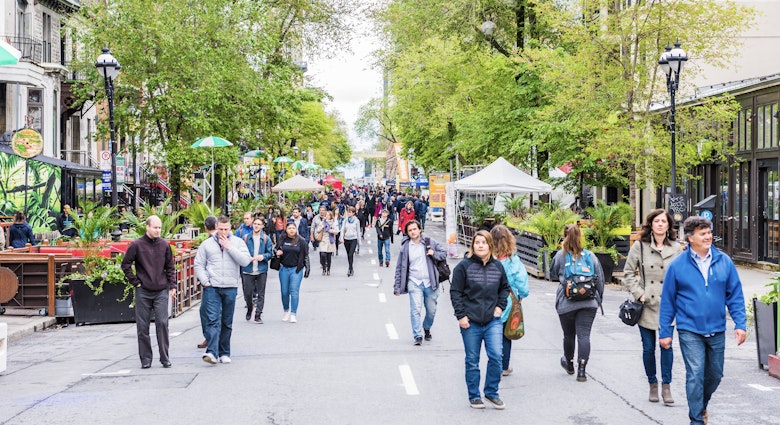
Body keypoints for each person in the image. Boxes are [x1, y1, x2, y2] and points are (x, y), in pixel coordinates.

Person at [659, 216, 746, 425]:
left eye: (709, 232)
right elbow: (668, 300)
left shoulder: (724, 261)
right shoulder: (677, 265)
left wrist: (740, 324)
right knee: (695, 374)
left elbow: (735, 295)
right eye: (703, 233)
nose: (708, 237)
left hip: (716, 328)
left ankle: (702, 404)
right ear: (690, 238)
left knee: (715, 375)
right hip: (689, 328)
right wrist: (665, 332)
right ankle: (696, 419)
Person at [623, 209, 683, 404]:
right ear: (651, 224)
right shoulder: (640, 246)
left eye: (663, 221)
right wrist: (639, 293)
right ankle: (652, 384)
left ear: (668, 225)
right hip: (646, 303)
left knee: (666, 346)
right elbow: (629, 272)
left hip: (669, 305)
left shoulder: (676, 248)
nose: (660, 224)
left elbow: (684, 275)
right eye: (656, 221)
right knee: (648, 348)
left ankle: (667, 386)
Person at [450, 230, 510, 409]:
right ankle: (474, 396)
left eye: (484, 242)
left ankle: (491, 392)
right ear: (472, 245)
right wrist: (461, 315)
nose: (481, 245)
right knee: (472, 360)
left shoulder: (498, 267)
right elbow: (456, 292)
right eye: (477, 243)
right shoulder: (464, 267)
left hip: (492, 320)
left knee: (496, 356)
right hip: (470, 321)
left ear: (490, 245)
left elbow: (505, 288)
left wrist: (500, 307)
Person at [194, 216, 252, 365]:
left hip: (230, 286)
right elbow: (199, 264)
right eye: (220, 229)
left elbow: (245, 261)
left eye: (226, 229)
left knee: (226, 321)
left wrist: (230, 248)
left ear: (230, 228)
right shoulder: (206, 244)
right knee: (212, 320)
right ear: (216, 227)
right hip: (212, 286)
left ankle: (224, 352)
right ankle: (212, 352)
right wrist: (205, 281)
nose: (223, 232)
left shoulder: (238, 242)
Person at [121, 215, 177, 369]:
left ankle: (165, 357)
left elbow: (170, 267)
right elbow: (125, 264)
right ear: (147, 227)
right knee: (142, 326)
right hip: (143, 290)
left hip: (161, 290)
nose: (158, 230)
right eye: (155, 227)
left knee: (162, 323)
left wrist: (172, 286)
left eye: (159, 227)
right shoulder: (137, 245)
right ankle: (146, 359)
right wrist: (135, 282)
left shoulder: (164, 245)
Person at [550, 224, 604, 382]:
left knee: (569, 335)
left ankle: (569, 363)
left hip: (567, 301)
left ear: (564, 236)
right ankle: (582, 370)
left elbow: (553, 272)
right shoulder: (590, 256)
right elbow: (600, 278)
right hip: (589, 302)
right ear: (580, 236)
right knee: (584, 335)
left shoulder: (560, 255)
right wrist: (599, 298)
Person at [393, 219, 447, 345]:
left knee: (431, 310)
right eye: (410, 230)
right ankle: (417, 335)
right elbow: (399, 268)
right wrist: (397, 287)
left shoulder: (429, 242)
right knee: (415, 309)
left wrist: (434, 253)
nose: (412, 232)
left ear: (420, 229)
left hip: (431, 282)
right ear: (407, 232)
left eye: (414, 229)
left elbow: (443, 253)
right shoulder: (405, 248)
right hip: (414, 281)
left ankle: (426, 327)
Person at [490, 224, 529, 377]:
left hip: (489, 299)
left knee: (491, 333)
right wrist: (522, 295)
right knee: (506, 334)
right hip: (507, 300)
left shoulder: (487, 259)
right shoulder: (512, 260)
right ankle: (503, 366)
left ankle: (493, 363)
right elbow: (521, 281)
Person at [274, 220, 309, 323]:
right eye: (289, 228)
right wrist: (277, 252)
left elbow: (305, 255)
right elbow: (275, 250)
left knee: (294, 291)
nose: (291, 230)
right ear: (286, 229)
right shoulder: (282, 239)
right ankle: (286, 310)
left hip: (296, 269)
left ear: (296, 229)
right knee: (284, 292)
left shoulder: (301, 241)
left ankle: (293, 313)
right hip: (284, 268)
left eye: (293, 228)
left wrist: (307, 269)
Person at [241, 217, 274, 323]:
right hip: (248, 269)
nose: (256, 225)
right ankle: (250, 308)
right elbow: (241, 252)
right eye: (255, 223)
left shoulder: (266, 239)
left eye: (259, 224)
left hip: (261, 269)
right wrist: (247, 258)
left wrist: (263, 256)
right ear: (252, 225)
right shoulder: (246, 238)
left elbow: (270, 254)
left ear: (262, 226)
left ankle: (258, 314)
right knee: (248, 293)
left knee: (261, 293)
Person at [197, 216, 217, 349]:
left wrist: (204, 280)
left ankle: (211, 338)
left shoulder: (208, 243)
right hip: (216, 280)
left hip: (211, 281)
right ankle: (211, 337)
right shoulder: (224, 240)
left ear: (205, 228)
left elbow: (199, 264)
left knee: (206, 310)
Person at [340, 206, 361, 277]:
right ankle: (351, 267)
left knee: (350, 254)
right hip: (346, 239)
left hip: (353, 239)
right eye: (348, 212)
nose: (349, 213)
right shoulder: (345, 220)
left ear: (354, 213)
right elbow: (342, 229)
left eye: (351, 212)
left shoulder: (356, 221)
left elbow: (358, 231)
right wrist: (341, 238)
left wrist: (359, 241)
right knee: (348, 254)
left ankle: (350, 268)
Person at [316, 210, 338, 275]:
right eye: (326, 215)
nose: (327, 216)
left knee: (329, 256)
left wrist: (331, 230)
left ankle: (328, 269)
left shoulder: (333, 223)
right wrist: (321, 227)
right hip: (323, 240)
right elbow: (317, 230)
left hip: (330, 241)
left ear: (331, 216)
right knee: (323, 255)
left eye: (328, 215)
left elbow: (336, 231)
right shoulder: (322, 222)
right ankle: (324, 267)